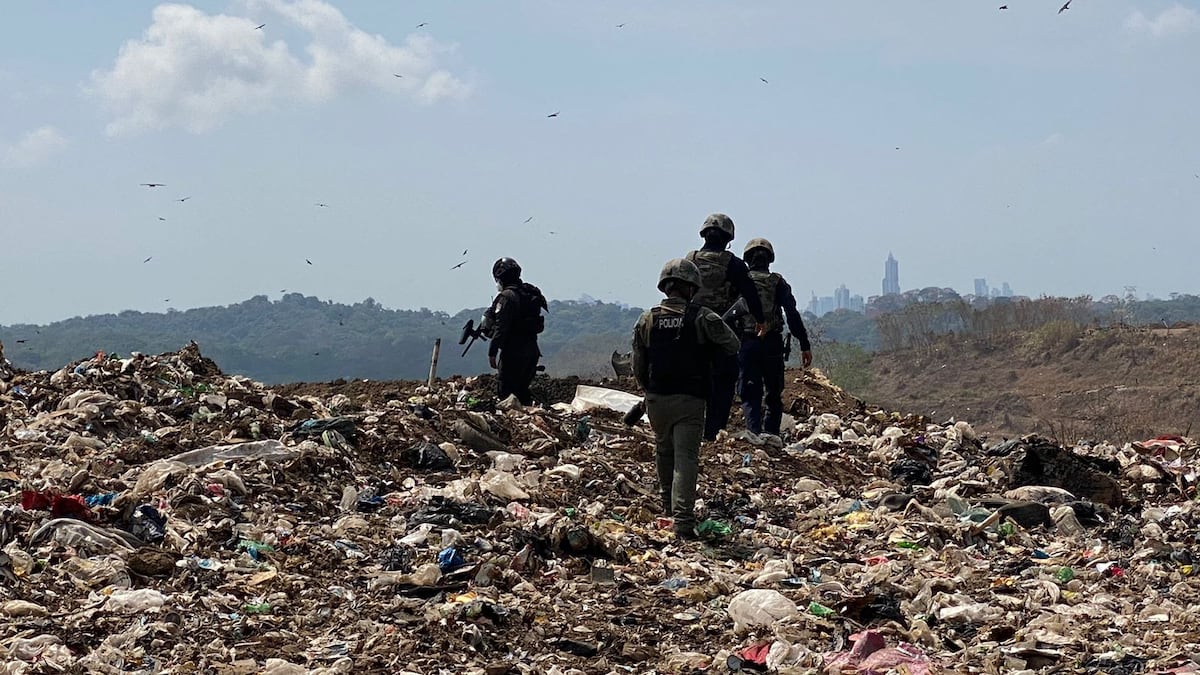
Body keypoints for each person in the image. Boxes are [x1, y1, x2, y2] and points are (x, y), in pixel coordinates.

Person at [632, 258, 740, 539]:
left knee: (663, 451)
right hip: (690, 400)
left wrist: (648, 390)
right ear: (691, 287)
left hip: (656, 399)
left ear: (665, 287)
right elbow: (732, 344)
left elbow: (637, 364)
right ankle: (682, 522)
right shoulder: (703, 317)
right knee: (686, 459)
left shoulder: (647, 319)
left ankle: (667, 509)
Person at [684, 213, 766, 440]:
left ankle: (693, 429)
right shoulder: (733, 264)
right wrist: (760, 320)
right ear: (728, 237)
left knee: (692, 380)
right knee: (723, 382)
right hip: (723, 333)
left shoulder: (690, 260)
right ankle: (713, 431)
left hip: (693, 332)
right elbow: (750, 295)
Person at [729, 238, 813, 436]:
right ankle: (772, 437)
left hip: (747, 343)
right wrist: (804, 344)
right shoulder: (777, 282)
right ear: (770, 260)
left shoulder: (740, 283)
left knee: (750, 394)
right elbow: (792, 315)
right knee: (773, 395)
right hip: (772, 345)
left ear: (748, 259)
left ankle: (754, 434)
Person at [486, 257, 547, 405]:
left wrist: (492, 352)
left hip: (513, 353)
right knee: (522, 391)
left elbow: (501, 327)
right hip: (532, 352)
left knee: (506, 394)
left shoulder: (507, 297)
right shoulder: (530, 292)